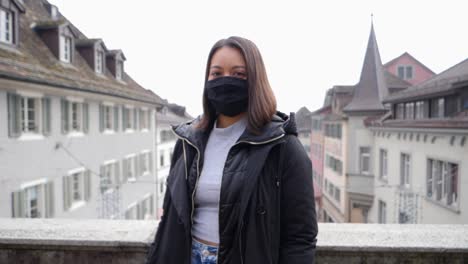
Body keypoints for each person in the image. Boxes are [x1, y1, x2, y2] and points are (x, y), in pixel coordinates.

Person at [145, 36, 318, 264]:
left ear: (256, 80)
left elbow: (300, 237)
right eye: (216, 74)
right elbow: (169, 216)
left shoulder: (282, 146)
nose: (225, 81)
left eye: (238, 74)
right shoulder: (187, 142)